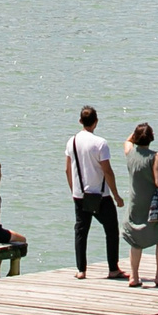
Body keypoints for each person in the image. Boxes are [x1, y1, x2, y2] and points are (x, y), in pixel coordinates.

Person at [64, 106, 124, 280]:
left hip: (79, 194)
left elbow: (67, 169)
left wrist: (73, 190)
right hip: (101, 196)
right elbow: (108, 171)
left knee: (81, 231)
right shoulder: (100, 143)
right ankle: (113, 269)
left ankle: (81, 270)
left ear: (80, 121)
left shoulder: (71, 142)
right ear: (96, 122)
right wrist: (116, 195)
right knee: (111, 230)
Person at [120, 123, 158, 288]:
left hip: (136, 202)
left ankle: (134, 276)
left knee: (136, 240)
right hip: (154, 204)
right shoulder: (155, 156)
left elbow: (127, 141)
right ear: (151, 138)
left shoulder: (130, 153)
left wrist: (135, 134)